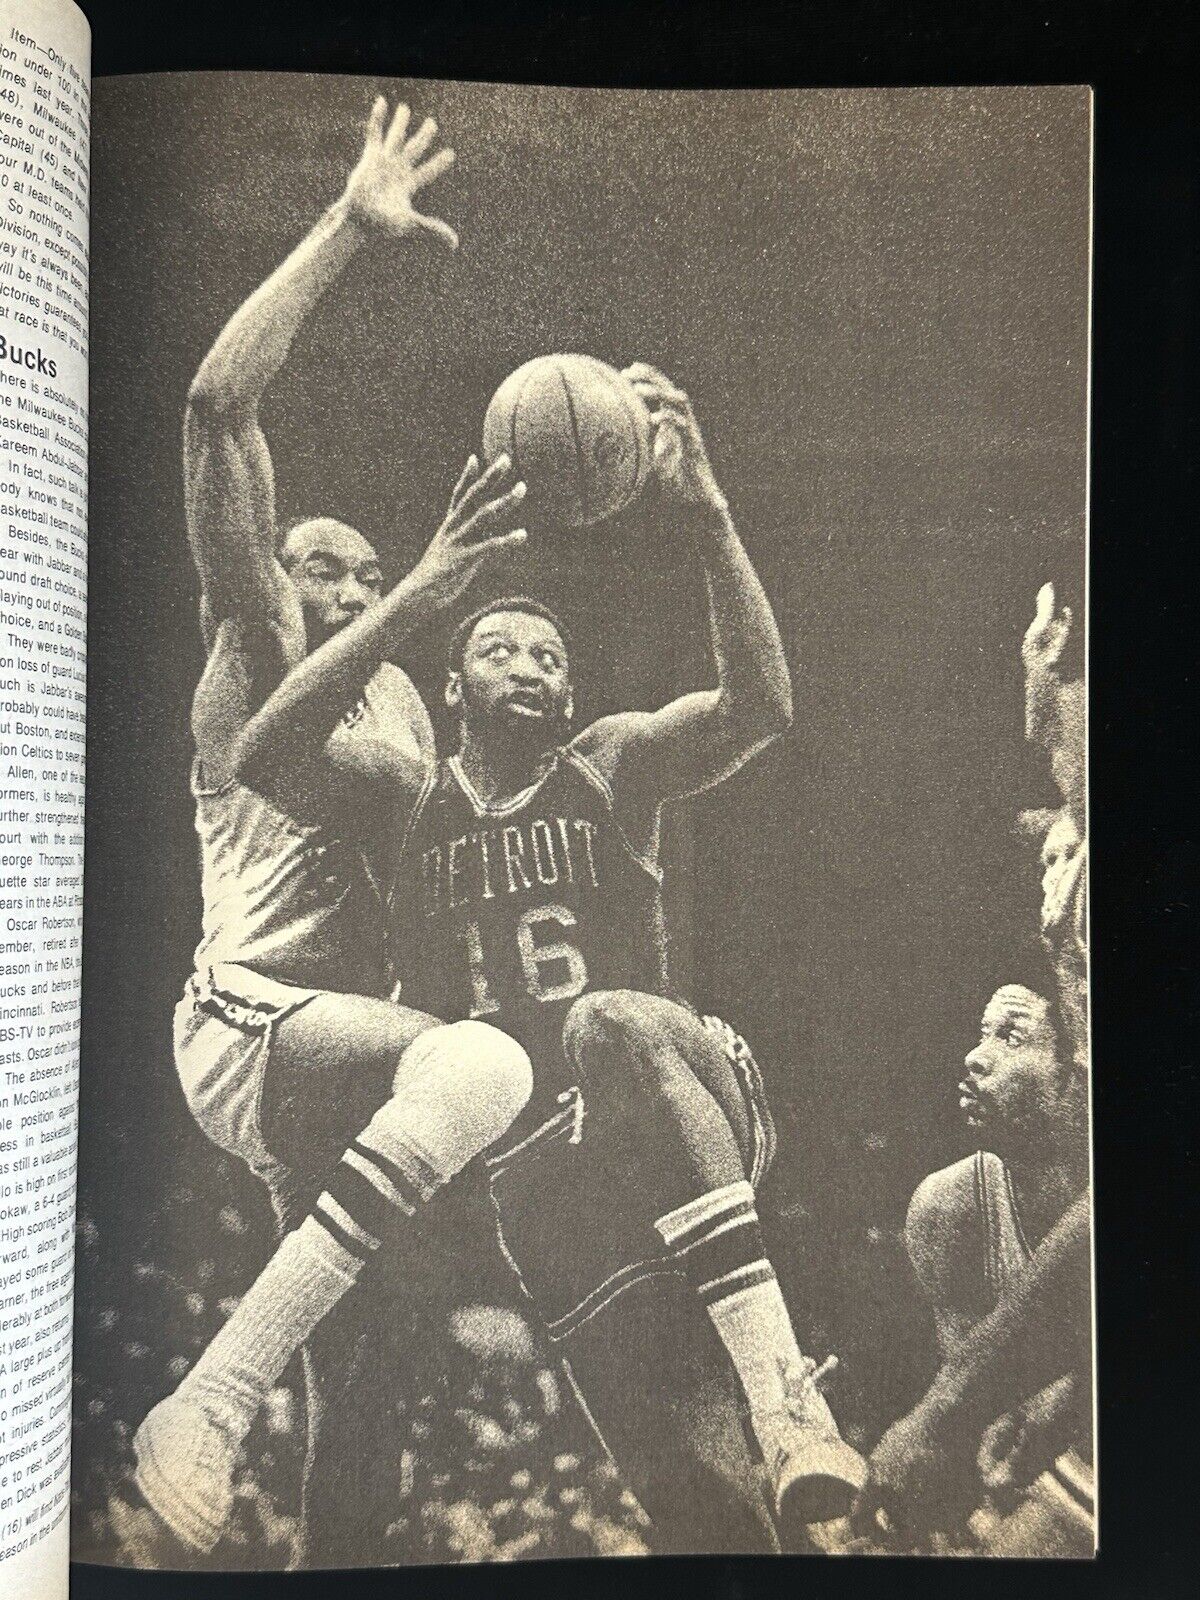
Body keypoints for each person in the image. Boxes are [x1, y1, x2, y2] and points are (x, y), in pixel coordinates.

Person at [234, 363, 866, 1549]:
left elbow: (762, 706)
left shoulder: (612, 761)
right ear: (453, 686)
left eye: (552, 655)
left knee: (607, 1022)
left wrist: (709, 513)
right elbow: (262, 758)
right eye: (507, 650)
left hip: (675, 1098)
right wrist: (421, 591)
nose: (537, 667)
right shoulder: (401, 796)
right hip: (550, 1186)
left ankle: (790, 1396)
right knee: (694, 1503)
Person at [117, 98, 536, 1565]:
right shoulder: (256, 646)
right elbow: (213, 409)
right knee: (475, 1059)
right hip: (244, 1014)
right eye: (316, 563)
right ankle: (204, 1401)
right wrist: (348, 232)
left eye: (361, 575)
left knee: (370, 1397)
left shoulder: (414, 714)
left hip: (337, 1064)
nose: (341, 584)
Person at [855, 983, 1093, 1553]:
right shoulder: (951, 1206)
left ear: (1077, 1074)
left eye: (1011, 1037)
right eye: (982, 1033)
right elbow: (988, 1439)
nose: (975, 1055)